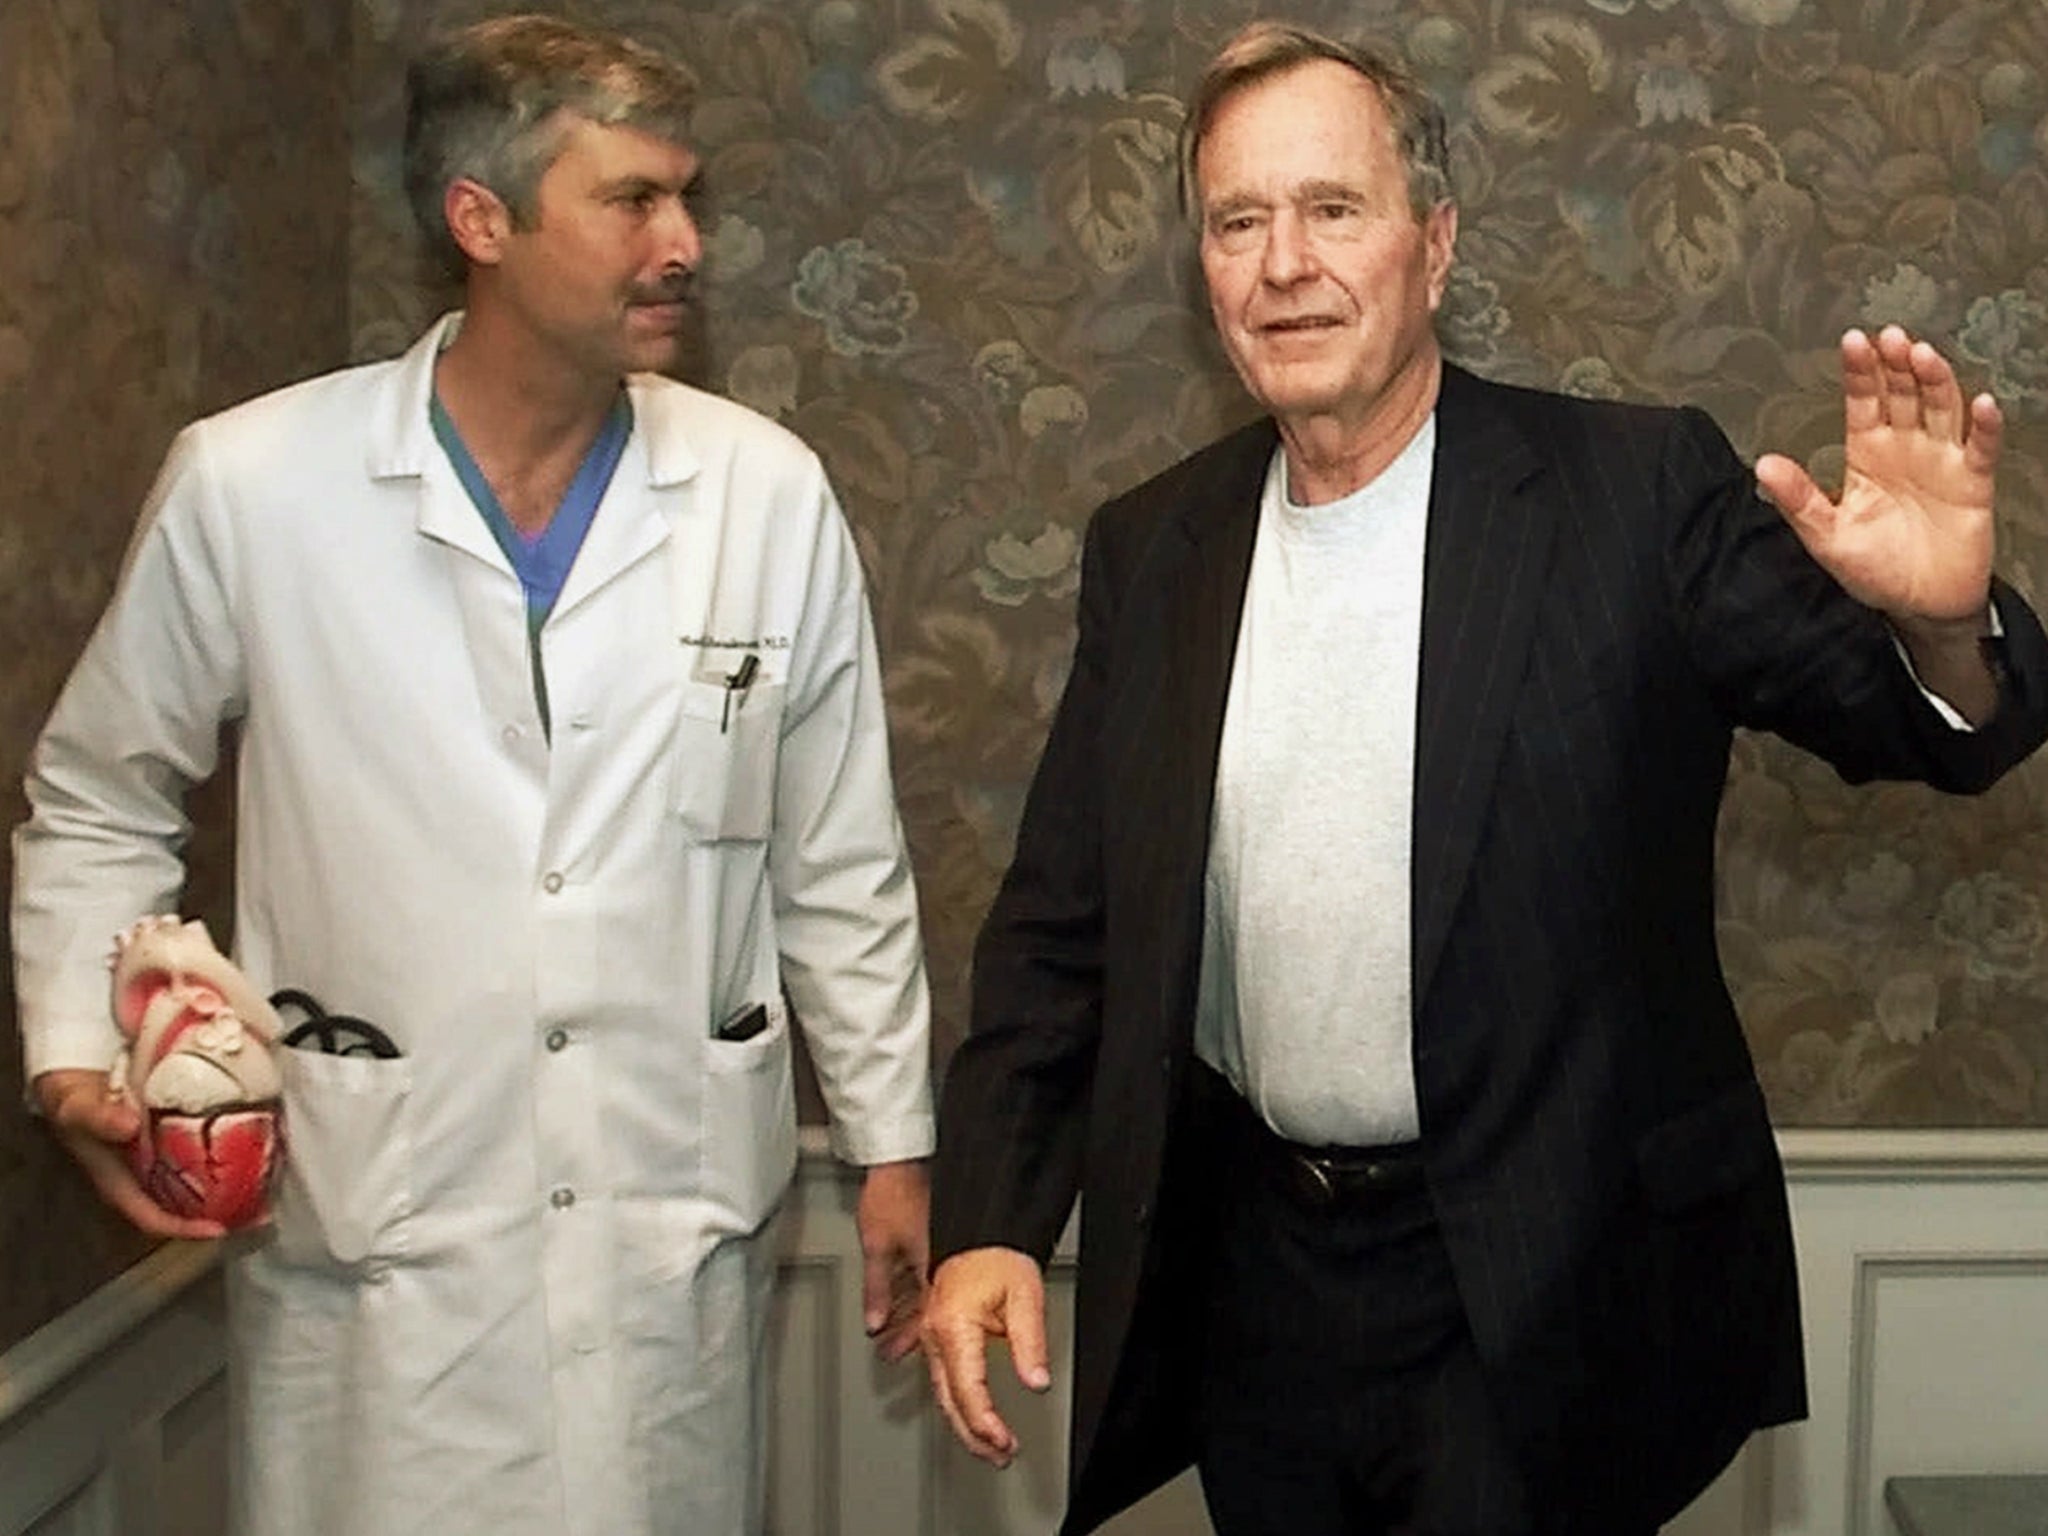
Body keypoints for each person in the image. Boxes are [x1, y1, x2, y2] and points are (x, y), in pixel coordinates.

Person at [922, 20, 2048, 1536]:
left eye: (1333, 209)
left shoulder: (1631, 492)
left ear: (1434, 246)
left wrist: (1940, 623)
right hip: (1262, 1286)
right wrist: (990, 1218)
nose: (1282, 263)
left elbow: (1923, 728)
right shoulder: (1157, 546)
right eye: (1237, 221)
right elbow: (1067, 919)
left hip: (1539, 1278)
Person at [12, 15, 933, 1536]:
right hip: (376, 1259)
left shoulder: (763, 493)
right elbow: (102, 795)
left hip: (668, 1246)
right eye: (633, 200)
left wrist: (893, 1141)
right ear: (481, 221)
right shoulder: (253, 487)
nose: (685, 242)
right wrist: (73, 1047)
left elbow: (837, 858)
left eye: (687, 198)